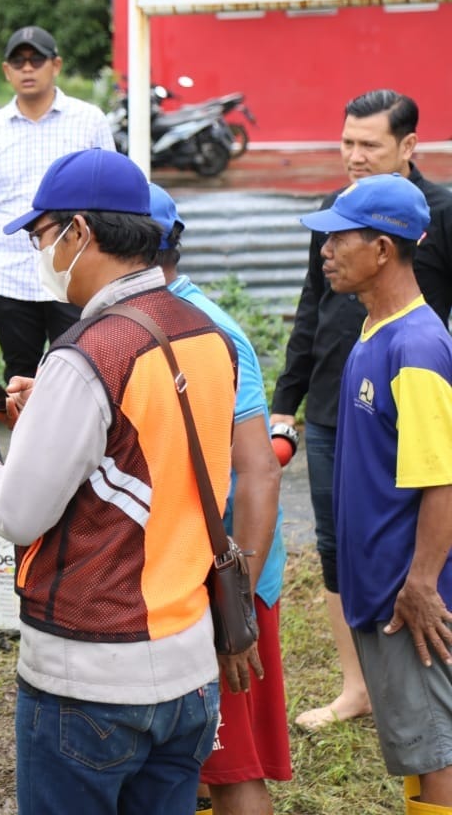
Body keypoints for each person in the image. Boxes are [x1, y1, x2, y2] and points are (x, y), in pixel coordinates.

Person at [0, 148, 242, 815]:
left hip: (91, 681)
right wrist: (49, 410)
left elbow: (17, 512)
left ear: (78, 232)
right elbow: (149, 457)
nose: (38, 255)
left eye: (42, 237)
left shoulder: (90, 353)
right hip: (190, 669)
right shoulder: (205, 333)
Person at [270, 89, 452, 731]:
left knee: (414, 534)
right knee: (339, 541)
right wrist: (285, 406)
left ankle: (420, 669)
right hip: (333, 402)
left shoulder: (442, 215)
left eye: (368, 144)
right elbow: (310, 314)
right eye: (346, 142)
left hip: (409, 409)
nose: (353, 156)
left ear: (408, 146)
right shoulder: (333, 215)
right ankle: (362, 684)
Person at [297, 174, 452, 815]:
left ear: (383, 249)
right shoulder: (371, 332)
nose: (324, 252)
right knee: (415, 747)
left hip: (407, 593)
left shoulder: (415, 346)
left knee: (436, 750)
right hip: (379, 584)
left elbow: (442, 478)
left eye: (338, 239)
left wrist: (421, 582)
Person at [149, 185, 290, 815]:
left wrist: (235, 617)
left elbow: (259, 472)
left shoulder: (207, 330)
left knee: (232, 764)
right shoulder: (141, 320)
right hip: (178, 580)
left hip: (225, 581)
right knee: (192, 757)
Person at [0, 25, 115, 382]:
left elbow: (110, 199)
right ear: (7, 71)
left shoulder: (89, 120)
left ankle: (76, 441)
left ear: (55, 65)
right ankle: (26, 441)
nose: (27, 68)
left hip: (76, 275)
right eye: (18, 61)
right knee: (20, 377)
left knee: (80, 377)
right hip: (10, 279)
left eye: (36, 60)